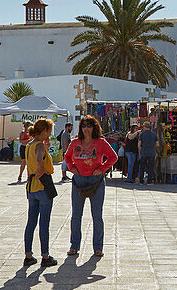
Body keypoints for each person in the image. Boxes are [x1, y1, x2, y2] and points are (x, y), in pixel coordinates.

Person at [63, 115, 118, 258]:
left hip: (96, 181)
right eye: (84, 126)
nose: (86, 128)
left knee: (97, 216)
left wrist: (102, 168)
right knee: (76, 216)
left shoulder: (101, 142)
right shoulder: (75, 143)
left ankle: (98, 247)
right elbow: (67, 156)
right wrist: (71, 167)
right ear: (80, 128)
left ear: (94, 127)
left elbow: (113, 157)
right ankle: (74, 246)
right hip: (79, 181)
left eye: (89, 125)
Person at [23, 118, 59, 269]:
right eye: (49, 131)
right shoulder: (39, 146)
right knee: (44, 223)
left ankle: (28, 255)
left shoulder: (29, 145)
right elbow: (39, 158)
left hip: (31, 187)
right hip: (43, 186)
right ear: (44, 131)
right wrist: (41, 170)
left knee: (31, 222)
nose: (50, 134)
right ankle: (45, 255)